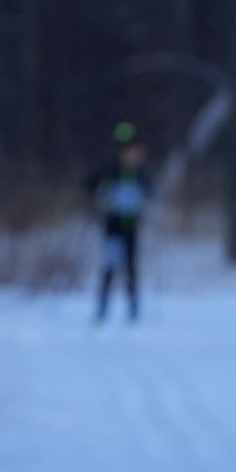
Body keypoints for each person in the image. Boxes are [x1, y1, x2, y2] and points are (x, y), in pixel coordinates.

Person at [84, 122, 152, 324]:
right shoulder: (109, 170)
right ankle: (102, 308)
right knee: (110, 267)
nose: (133, 155)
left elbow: (149, 191)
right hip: (112, 226)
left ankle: (133, 309)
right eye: (130, 151)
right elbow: (89, 183)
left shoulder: (138, 173)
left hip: (131, 227)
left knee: (131, 267)